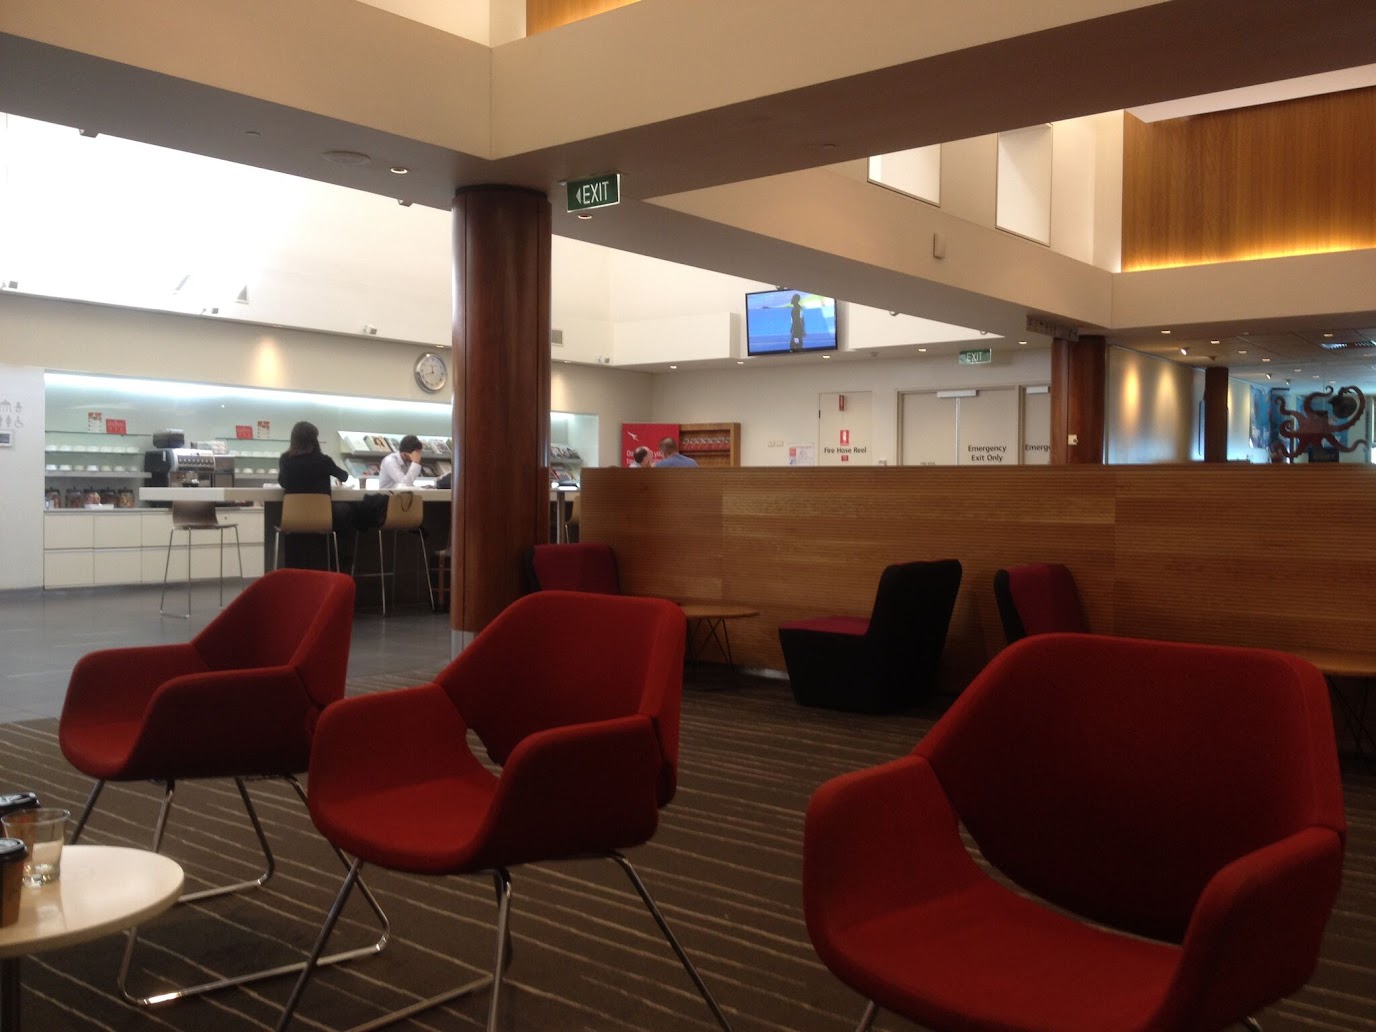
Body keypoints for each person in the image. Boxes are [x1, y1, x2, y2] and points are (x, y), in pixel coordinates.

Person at [277, 420, 353, 569]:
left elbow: (282, 482)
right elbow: (344, 476)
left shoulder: (286, 459)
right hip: (322, 520)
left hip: (293, 520)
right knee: (346, 514)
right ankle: (343, 566)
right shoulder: (324, 461)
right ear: (314, 440)